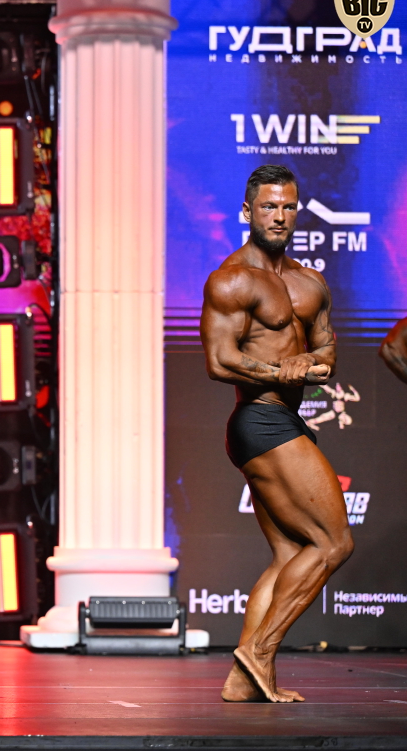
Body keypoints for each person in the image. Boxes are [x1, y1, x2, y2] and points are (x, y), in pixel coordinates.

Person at [200, 164, 352, 703]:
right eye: (268, 206)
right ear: (248, 211)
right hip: (259, 420)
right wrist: (278, 373)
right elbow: (220, 361)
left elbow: (327, 350)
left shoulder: (311, 282)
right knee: (334, 542)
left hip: (284, 419)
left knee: (290, 554)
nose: (279, 216)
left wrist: (309, 363)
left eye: (288, 206)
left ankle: (243, 682)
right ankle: (260, 652)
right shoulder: (232, 279)